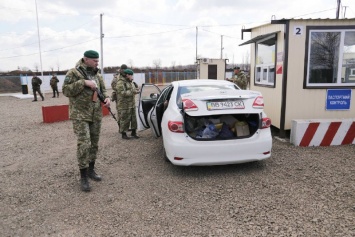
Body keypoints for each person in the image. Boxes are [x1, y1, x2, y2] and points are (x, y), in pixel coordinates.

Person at [62, 50, 111, 192]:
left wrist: (107, 99)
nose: (97, 63)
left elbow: (103, 91)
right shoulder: (73, 73)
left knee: (94, 144)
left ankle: (91, 170)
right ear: (86, 59)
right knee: (84, 144)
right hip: (80, 114)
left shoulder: (98, 74)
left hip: (96, 114)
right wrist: (83, 83)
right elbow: (65, 91)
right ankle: (83, 176)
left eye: (98, 61)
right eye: (94, 61)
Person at [116, 68, 140, 139]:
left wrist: (136, 90)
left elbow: (132, 90)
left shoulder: (130, 81)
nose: (132, 77)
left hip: (131, 104)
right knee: (124, 119)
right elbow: (122, 93)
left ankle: (133, 132)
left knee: (133, 119)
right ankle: (124, 134)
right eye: (131, 75)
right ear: (127, 75)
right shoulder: (120, 82)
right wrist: (133, 91)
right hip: (124, 105)